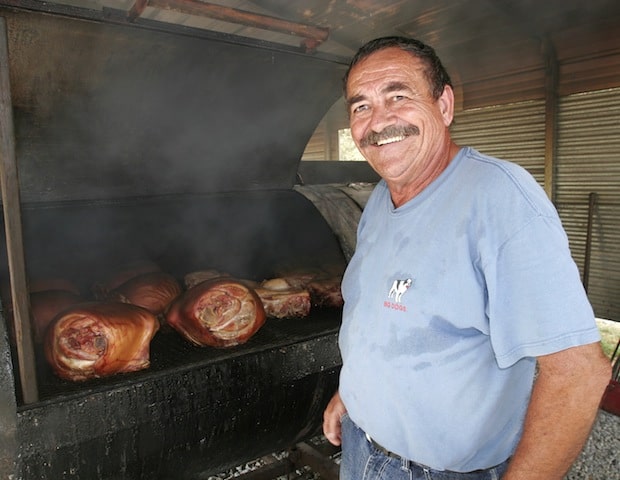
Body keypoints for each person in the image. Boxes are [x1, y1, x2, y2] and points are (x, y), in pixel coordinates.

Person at [322, 36, 611, 480]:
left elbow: (578, 373)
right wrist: (355, 393)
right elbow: (381, 317)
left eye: (397, 96)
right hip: (363, 447)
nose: (378, 122)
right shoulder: (379, 200)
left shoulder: (499, 198)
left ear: (444, 105)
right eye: (361, 107)